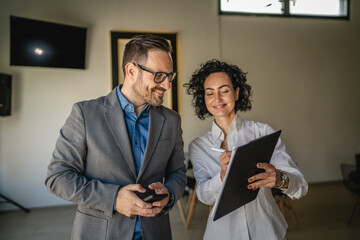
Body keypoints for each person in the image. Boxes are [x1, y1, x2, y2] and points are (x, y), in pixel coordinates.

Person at [45, 34, 187, 240]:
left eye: (169, 76)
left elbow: (178, 172)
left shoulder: (172, 120)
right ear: (131, 71)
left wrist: (170, 193)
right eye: (159, 76)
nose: (167, 85)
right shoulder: (85, 114)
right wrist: (113, 198)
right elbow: (57, 177)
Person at [184, 60, 308, 240]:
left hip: (266, 231)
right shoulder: (198, 146)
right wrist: (221, 177)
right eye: (210, 93)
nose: (217, 99)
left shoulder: (263, 132)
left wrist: (281, 179)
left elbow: (301, 185)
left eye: (224, 91)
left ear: (236, 92)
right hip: (222, 234)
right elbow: (204, 195)